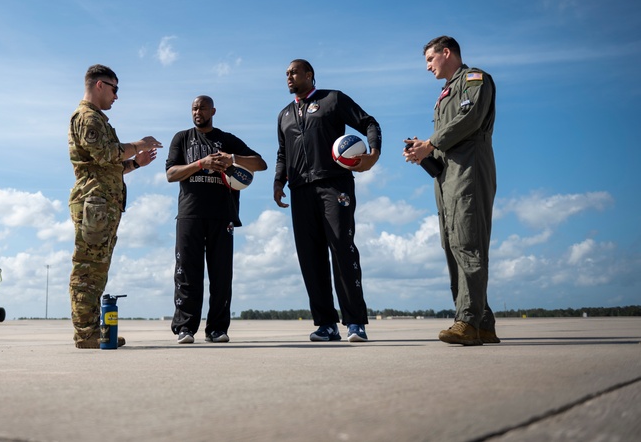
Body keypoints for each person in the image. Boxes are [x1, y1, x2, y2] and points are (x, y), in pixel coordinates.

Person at [274, 59, 381, 342]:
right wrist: (278, 181)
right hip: (300, 190)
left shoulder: (332, 99)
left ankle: (355, 322)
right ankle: (326, 324)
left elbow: (369, 122)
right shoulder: (284, 114)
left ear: (309, 75)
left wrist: (373, 153)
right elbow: (282, 152)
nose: (289, 76)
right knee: (310, 258)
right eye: (286, 73)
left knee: (342, 249)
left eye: (294, 72)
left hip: (334, 185)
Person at [404, 36, 498, 346]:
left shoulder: (474, 80)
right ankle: (482, 322)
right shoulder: (445, 93)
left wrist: (430, 143)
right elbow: (447, 137)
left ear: (447, 53)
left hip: (468, 171)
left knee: (467, 242)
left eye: (431, 59)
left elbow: (469, 119)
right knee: (452, 243)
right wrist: (423, 152)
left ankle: (467, 321)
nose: (428, 66)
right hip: (447, 176)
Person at [68, 64, 162, 349]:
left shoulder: (97, 118)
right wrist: (137, 144)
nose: (116, 97)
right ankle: (85, 334)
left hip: (103, 204)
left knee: (97, 269)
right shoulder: (88, 118)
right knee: (88, 269)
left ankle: (91, 331)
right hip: (94, 204)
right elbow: (105, 153)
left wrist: (134, 163)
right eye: (114, 89)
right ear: (99, 85)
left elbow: (106, 167)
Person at [166, 96, 267, 344]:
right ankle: (185, 328)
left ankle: (217, 329)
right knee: (187, 272)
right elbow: (171, 174)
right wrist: (202, 163)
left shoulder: (227, 139)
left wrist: (232, 159)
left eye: (202, 107)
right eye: (193, 107)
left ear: (213, 110)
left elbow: (260, 163)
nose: (197, 111)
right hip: (190, 213)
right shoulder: (182, 138)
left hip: (223, 215)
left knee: (221, 275)